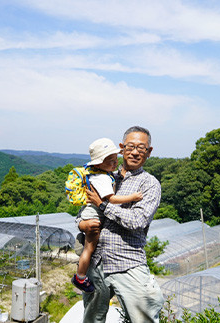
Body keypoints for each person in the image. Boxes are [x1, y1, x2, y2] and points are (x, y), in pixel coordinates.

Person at [76, 126, 165, 323]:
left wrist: (103, 204)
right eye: (130, 147)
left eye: (141, 149)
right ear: (122, 148)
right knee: (92, 319)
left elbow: (137, 221)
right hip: (96, 263)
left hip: (128, 262)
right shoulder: (103, 176)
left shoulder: (149, 184)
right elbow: (83, 211)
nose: (135, 152)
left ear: (149, 152)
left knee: (144, 318)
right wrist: (83, 225)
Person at [71, 138, 143, 293]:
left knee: (89, 248)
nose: (115, 163)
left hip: (90, 215)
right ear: (98, 164)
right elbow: (112, 199)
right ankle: (80, 277)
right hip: (93, 217)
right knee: (89, 249)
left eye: (115, 158)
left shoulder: (98, 174)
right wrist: (133, 197)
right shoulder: (102, 178)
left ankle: (81, 272)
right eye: (110, 160)